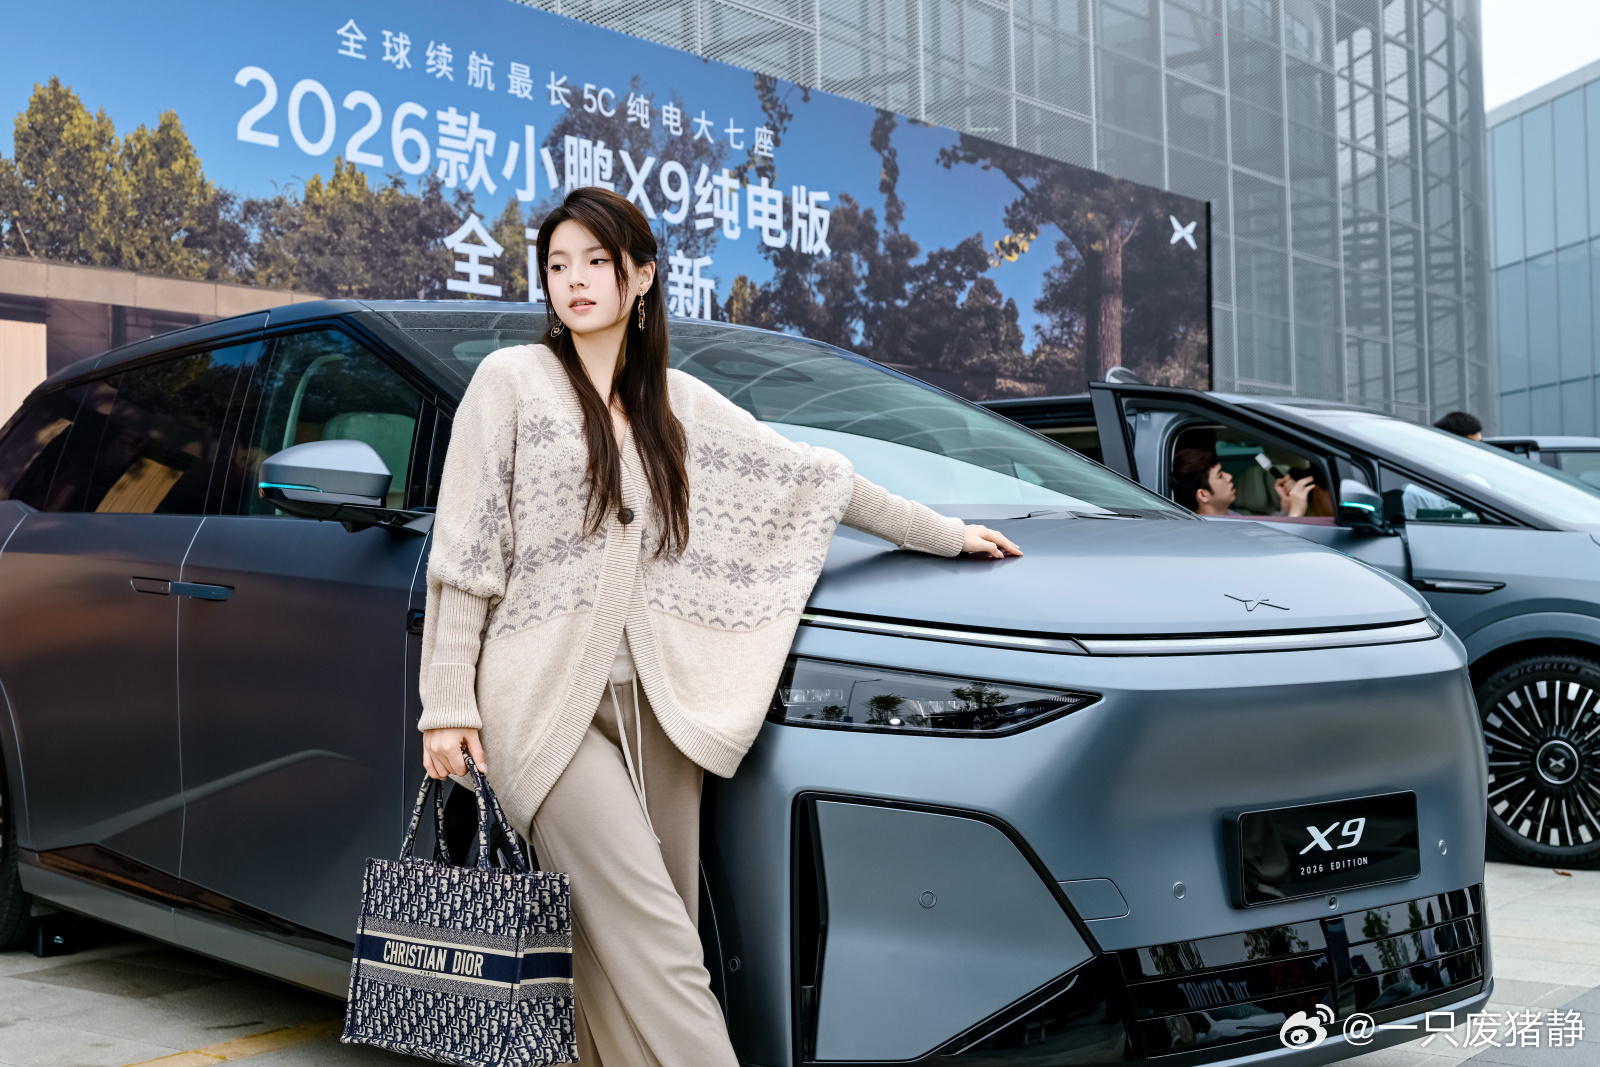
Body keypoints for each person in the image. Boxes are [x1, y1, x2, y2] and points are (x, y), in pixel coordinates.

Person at [415, 186, 1022, 1067]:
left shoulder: (681, 407)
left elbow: (816, 480)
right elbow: (465, 554)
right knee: (662, 950)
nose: (574, 281)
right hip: (538, 708)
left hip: (661, 713)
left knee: (619, 955)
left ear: (642, 276)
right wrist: (446, 702)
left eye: (596, 262)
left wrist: (944, 534)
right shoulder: (509, 383)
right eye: (558, 265)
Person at [1170, 447, 1314, 517]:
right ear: (1203, 495)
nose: (1229, 476)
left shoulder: (1233, 515)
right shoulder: (1209, 534)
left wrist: (1286, 509)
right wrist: (1296, 513)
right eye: (1220, 475)